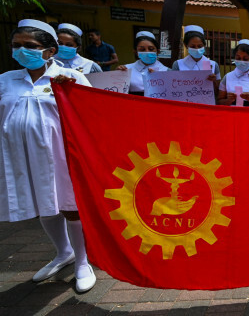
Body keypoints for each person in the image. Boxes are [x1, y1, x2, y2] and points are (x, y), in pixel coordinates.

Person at [0, 19, 96, 292]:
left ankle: (82, 261)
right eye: (16, 46)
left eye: (30, 46)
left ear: (50, 51)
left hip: (61, 155)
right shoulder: (6, 81)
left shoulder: (70, 77)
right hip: (22, 155)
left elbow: (92, 113)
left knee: (69, 206)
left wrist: (71, 92)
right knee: (43, 204)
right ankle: (62, 252)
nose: (21, 51)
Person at [171, 25, 221, 100]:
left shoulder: (213, 65)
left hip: (206, 104)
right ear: (186, 45)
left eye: (200, 46)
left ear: (204, 45)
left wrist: (213, 82)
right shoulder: (178, 64)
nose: (197, 49)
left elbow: (218, 93)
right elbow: (173, 88)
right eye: (193, 46)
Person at [116, 31, 169, 96]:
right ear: (136, 52)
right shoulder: (126, 69)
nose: (147, 52)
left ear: (157, 51)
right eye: (142, 49)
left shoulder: (167, 71)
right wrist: (118, 75)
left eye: (151, 49)